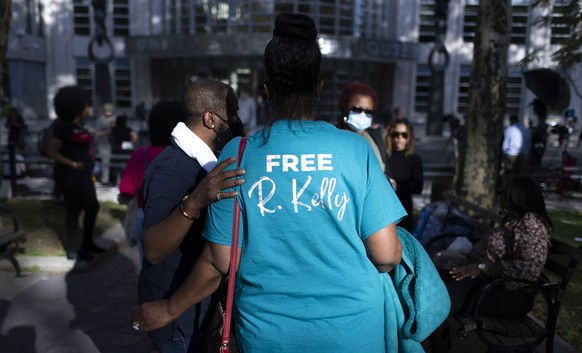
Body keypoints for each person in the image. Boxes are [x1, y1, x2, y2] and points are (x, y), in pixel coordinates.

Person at [132, 13, 405, 353]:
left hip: (269, 335)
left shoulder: (239, 152)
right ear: (319, 88)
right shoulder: (354, 149)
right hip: (353, 333)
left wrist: (170, 308)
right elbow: (385, 254)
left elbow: (220, 261)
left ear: (266, 91)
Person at [137, 79, 244, 353]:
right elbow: (153, 249)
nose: (235, 120)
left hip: (192, 309)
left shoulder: (204, 164)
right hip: (174, 317)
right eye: (231, 112)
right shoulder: (172, 171)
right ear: (210, 118)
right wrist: (194, 202)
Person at [428, 175, 552, 353]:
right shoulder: (514, 220)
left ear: (514, 197)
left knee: (438, 300)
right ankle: (440, 346)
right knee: (432, 281)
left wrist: (482, 268)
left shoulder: (531, 223)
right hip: (490, 284)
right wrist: (466, 259)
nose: (499, 196)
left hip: (511, 295)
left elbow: (528, 270)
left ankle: (439, 348)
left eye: (503, 192)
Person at [118, 100, 186, 262]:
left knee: (149, 267)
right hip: (182, 218)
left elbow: (126, 190)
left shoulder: (140, 155)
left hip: (146, 219)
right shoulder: (187, 157)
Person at [47, 86, 104, 261]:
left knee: (92, 207)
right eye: (86, 106)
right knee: (75, 210)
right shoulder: (63, 127)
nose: (88, 109)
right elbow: (52, 151)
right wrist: (73, 164)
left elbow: (86, 140)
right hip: (70, 176)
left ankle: (87, 243)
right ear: (76, 107)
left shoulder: (77, 125)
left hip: (83, 175)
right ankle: (74, 249)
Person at [337, 82, 394, 185]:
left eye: (368, 112)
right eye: (356, 109)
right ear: (344, 108)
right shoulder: (333, 137)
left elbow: (386, 171)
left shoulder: (376, 137)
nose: (362, 115)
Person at [384, 118, 424, 232]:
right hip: (385, 207)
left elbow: (418, 187)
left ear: (409, 137)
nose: (399, 138)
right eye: (395, 134)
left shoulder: (413, 159)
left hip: (403, 208)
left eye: (404, 135)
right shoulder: (385, 157)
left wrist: (398, 187)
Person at [109, 113, 138, 186]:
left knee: (115, 167)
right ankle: (122, 182)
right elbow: (135, 137)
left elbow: (110, 137)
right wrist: (128, 144)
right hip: (124, 150)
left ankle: (113, 182)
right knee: (123, 167)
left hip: (116, 149)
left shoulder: (114, 129)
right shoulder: (127, 129)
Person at [94, 102, 115, 185]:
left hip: (113, 144)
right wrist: (108, 132)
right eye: (107, 111)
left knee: (113, 162)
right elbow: (97, 133)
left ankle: (114, 179)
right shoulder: (101, 119)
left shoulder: (114, 119)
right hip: (103, 144)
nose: (109, 113)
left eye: (110, 111)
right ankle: (105, 180)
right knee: (105, 162)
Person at [529, 99, 549, 168]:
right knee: (536, 154)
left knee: (536, 154)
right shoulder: (538, 122)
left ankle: (536, 164)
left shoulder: (542, 124)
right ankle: (535, 164)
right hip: (537, 140)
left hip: (539, 140)